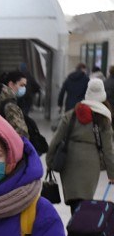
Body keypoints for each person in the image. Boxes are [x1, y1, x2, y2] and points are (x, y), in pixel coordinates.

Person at [47, 77, 114, 214]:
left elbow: (56, 140)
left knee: (74, 201)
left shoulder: (71, 114)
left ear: (87, 93)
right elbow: (108, 150)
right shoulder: (104, 118)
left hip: (70, 161)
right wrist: (111, 173)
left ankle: (74, 230)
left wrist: (49, 160)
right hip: (91, 163)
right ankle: (80, 230)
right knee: (85, 202)